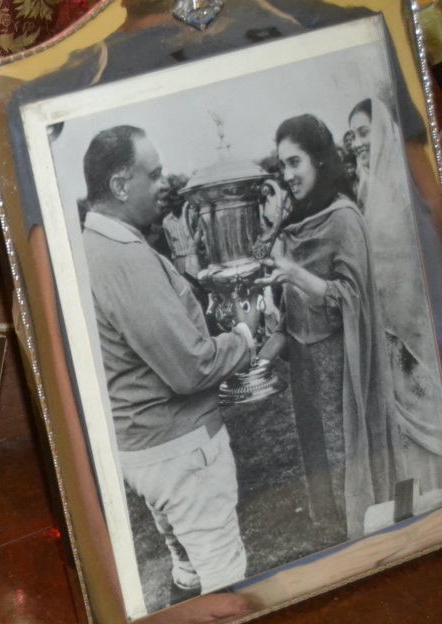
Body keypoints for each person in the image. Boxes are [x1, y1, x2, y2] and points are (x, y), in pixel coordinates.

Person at [81, 125, 258, 596]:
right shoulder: (122, 256)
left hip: (145, 448)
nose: (163, 184)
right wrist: (244, 336)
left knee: (189, 572)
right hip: (179, 453)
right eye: (154, 174)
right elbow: (190, 368)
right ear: (121, 185)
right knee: (224, 580)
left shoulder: (92, 246)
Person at [257, 113, 395, 539]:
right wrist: (258, 358)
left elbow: (353, 298)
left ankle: (362, 535)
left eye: (294, 162)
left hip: (340, 361)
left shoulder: (344, 217)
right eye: (282, 165)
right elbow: (290, 312)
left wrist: (296, 275)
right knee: (317, 451)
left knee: (342, 452)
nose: (287, 175)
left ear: (318, 159)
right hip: (305, 365)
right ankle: (335, 531)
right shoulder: (295, 222)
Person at [348, 98, 442, 494]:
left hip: (415, 335)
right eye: (352, 136)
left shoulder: (405, 189)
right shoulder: (367, 191)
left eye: (363, 132)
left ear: (384, 132)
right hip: (388, 341)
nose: (357, 143)